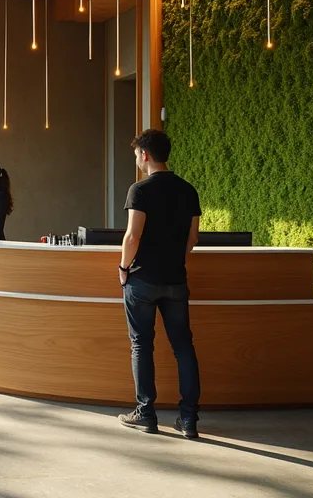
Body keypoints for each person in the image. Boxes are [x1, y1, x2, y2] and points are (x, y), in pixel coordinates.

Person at [117, 129, 202, 439]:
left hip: (142, 280)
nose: (137, 160)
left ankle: (146, 413)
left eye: (137, 154)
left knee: (142, 345)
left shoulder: (139, 190)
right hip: (176, 280)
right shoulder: (188, 190)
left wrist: (123, 268)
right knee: (184, 348)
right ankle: (189, 420)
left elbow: (132, 236)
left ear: (146, 155)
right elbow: (192, 239)